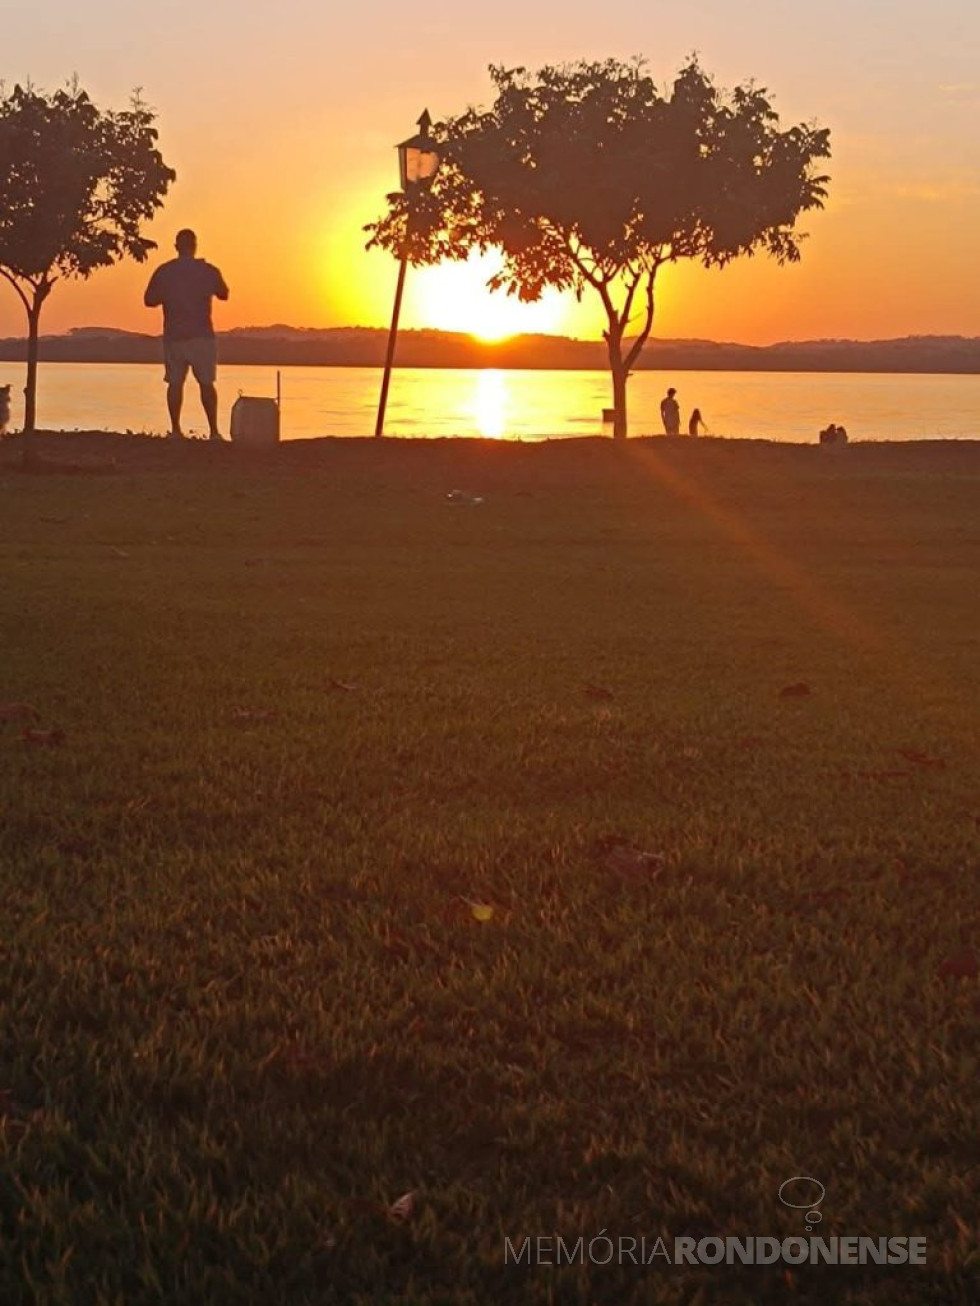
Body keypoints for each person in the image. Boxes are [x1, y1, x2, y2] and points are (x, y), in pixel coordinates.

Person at [144, 229, 229, 441]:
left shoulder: (164, 271)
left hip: (174, 335)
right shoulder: (208, 270)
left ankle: (175, 430)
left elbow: (149, 300)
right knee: (207, 383)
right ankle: (214, 432)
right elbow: (224, 293)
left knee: (175, 383)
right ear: (195, 245)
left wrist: (170, 294)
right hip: (202, 335)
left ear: (176, 247)